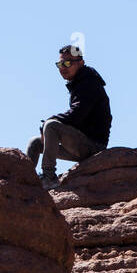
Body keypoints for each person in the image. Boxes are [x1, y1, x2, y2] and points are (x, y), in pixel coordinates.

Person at [28, 45, 112, 187]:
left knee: (51, 126)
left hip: (93, 146)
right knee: (35, 143)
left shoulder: (89, 83)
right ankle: (27, 180)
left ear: (81, 63)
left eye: (68, 63)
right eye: (60, 64)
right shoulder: (79, 82)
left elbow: (77, 114)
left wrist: (49, 120)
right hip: (79, 144)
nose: (63, 67)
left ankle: (48, 177)